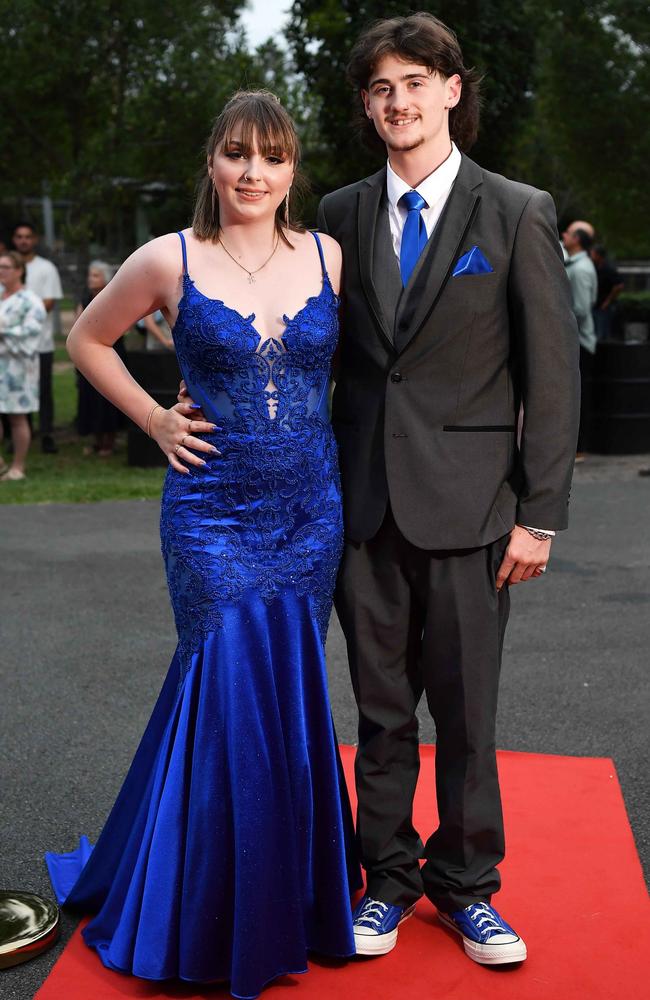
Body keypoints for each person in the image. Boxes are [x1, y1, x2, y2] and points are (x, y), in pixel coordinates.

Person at [45, 90, 360, 999]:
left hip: (309, 513)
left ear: (294, 170)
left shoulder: (329, 255)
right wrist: (152, 417)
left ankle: (287, 896)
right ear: (213, 165)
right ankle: (204, 906)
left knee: (288, 690)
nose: (251, 173)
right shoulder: (168, 258)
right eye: (235, 155)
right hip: (210, 510)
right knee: (222, 683)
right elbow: (86, 338)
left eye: (270, 156)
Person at [314, 13, 579, 965]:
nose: (401, 101)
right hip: (362, 508)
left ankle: (467, 888)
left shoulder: (516, 210)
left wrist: (538, 517)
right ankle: (386, 880)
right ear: (367, 105)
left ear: (453, 90)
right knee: (380, 715)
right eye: (382, 88)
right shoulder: (337, 215)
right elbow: (314, 351)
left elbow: (553, 380)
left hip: (475, 514)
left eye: (418, 82)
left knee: (468, 716)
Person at [12, 222, 63, 454]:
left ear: (34, 239)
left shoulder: (46, 268)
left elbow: (49, 302)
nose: (23, 240)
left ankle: (46, 434)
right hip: (13, 344)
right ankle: (20, 434)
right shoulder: (7, 266)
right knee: (17, 388)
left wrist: (19, 311)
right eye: (19, 236)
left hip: (40, 343)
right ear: (14, 240)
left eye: (27, 236)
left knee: (43, 390)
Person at [0, 250, 46, 481]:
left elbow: (32, 331)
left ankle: (18, 466)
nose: (1, 272)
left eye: (6, 267)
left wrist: (3, 329)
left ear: (19, 270)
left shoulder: (30, 301)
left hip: (17, 368)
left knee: (16, 417)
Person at [75, 260, 126, 457]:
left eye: (95, 275)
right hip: (90, 353)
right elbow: (78, 324)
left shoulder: (114, 298)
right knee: (90, 396)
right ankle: (96, 439)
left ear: (106, 278)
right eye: (90, 275)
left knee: (108, 397)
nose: (91, 279)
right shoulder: (85, 298)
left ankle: (109, 442)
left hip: (111, 350)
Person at [562, 221, 598, 457]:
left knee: (578, 396)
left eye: (569, 233)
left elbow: (582, 309)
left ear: (577, 240)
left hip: (579, 342)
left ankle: (579, 448)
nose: (564, 234)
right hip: (576, 340)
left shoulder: (581, 268)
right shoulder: (576, 265)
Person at [591, 244, 624, 341]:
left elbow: (619, 285)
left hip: (604, 306)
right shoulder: (595, 267)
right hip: (597, 304)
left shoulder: (608, 268)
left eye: (593, 254)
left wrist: (607, 301)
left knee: (602, 334)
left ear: (598, 255)